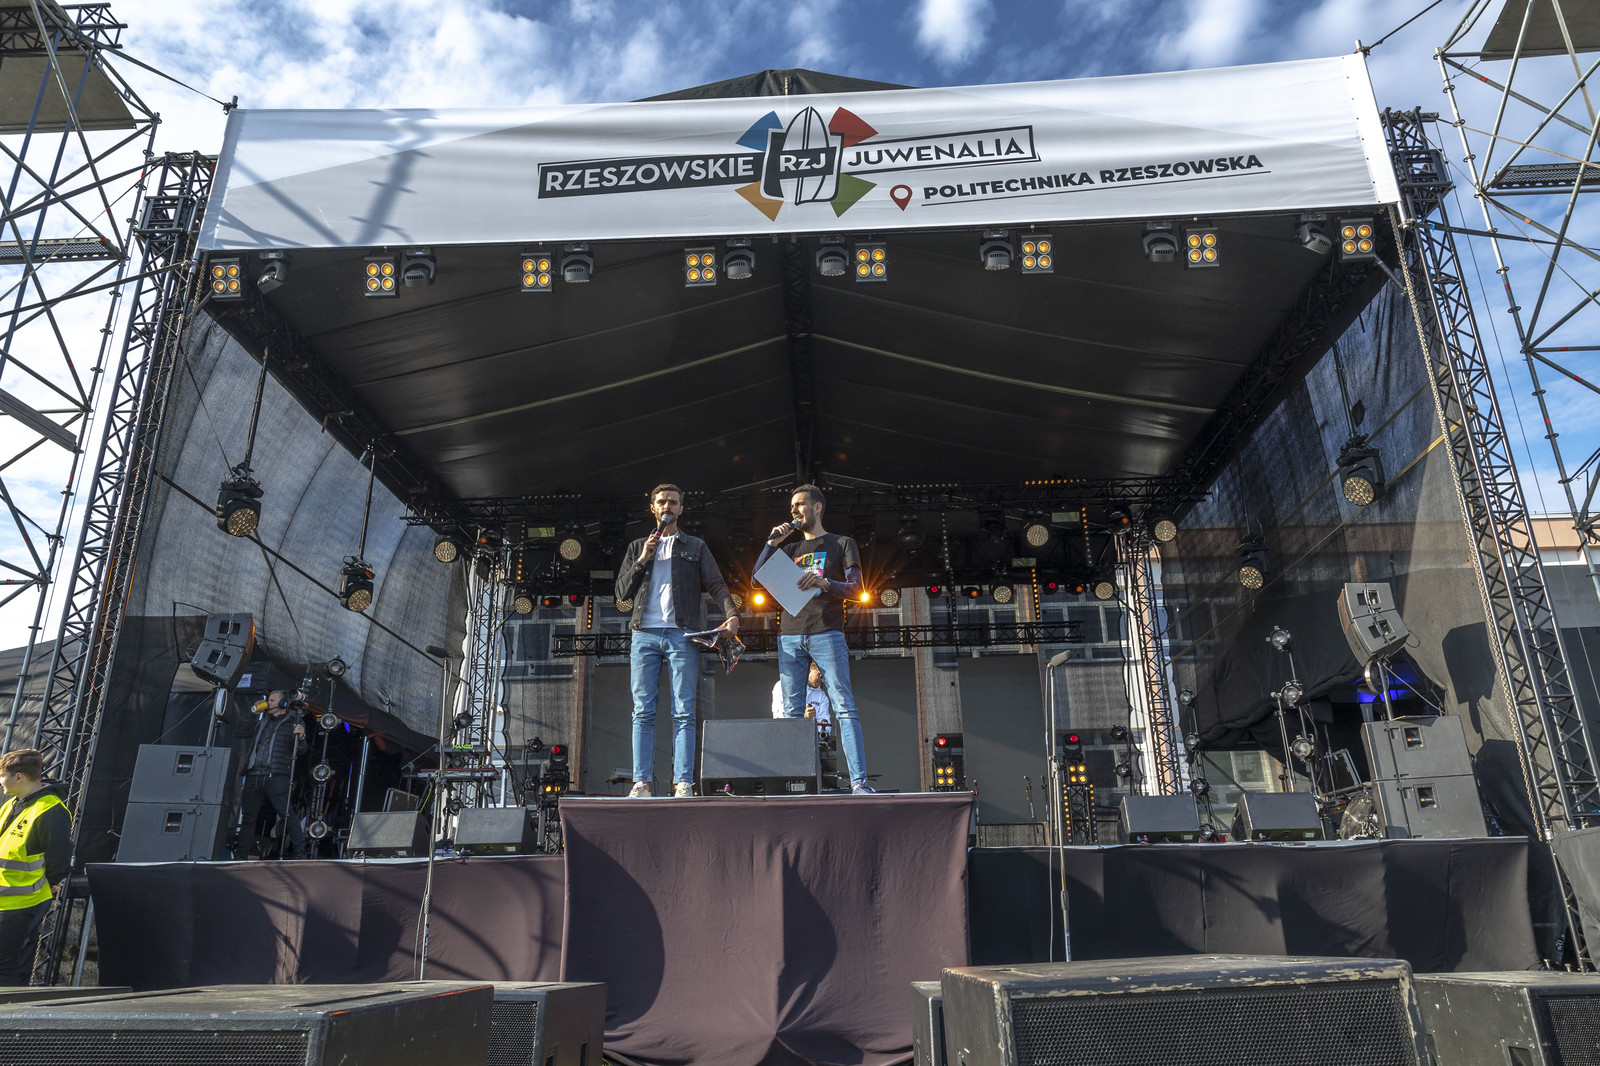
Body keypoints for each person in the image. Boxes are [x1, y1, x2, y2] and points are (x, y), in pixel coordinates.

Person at [615, 483, 740, 797]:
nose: (667, 506)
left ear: (681, 509)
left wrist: (732, 613)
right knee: (642, 710)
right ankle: (642, 783)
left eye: (673, 502)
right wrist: (642, 558)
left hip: (682, 634)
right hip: (644, 633)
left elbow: (716, 583)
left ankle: (683, 782)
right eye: (661, 502)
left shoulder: (695, 546)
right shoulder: (637, 546)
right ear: (653, 508)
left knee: (684, 711)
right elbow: (621, 593)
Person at [756, 483, 875, 793]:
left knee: (844, 707)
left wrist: (825, 584)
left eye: (800, 504)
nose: (794, 510)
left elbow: (857, 589)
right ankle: (792, 783)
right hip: (790, 634)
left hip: (827, 630)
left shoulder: (842, 543)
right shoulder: (789, 550)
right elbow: (757, 580)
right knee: (792, 712)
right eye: (791, 506)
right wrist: (772, 543)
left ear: (817, 507)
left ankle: (859, 783)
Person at [0, 748, 70, 985]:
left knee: (7, 966)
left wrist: (48, 884)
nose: (1, 781)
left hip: (22, 901)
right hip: (6, 899)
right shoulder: (11, 805)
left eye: (3, 776)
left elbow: (59, 857)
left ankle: (11, 1008)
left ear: (19, 777)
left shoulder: (50, 809)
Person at [236, 689, 308, 859]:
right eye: (268, 700)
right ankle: (241, 855)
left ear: (283, 703)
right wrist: (252, 714)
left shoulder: (294, 721)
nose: (268, 703)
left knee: (286, 814)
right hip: (254, 774)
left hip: (275, 775)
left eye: (273, 701)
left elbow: (301, 751)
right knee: (248, 817)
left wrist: (301, 737)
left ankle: (301, 853)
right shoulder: (262, 721)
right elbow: (240, 733)